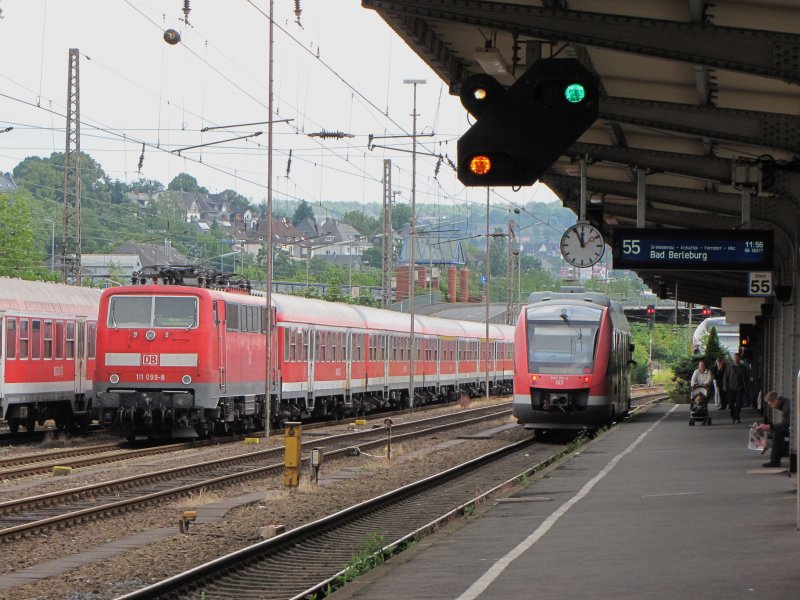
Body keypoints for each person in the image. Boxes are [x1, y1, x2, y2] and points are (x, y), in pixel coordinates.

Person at [756, 391, 791, 468]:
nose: (771, 406)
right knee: (777, 430)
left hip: (794, 428)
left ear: (775, 400)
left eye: (770, 404)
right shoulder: (786, 404)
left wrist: (768, 427)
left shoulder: (787, 407)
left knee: (778, 431)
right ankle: (777, 457)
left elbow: (787, 425)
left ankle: (775, 461)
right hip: (793, 428)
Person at [723, 352, 748, 424]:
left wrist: (746, 388)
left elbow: (746, 378)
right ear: (733, 359)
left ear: (739, 359)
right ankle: (732, 416)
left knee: (739, 403)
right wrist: (725, 387)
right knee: (731, 403)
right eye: (734, 358)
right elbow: (725, 378)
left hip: (739, 388)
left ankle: (737, 417)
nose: (736, 359)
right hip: (731, 389)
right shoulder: (730, 367)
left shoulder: (743, 368)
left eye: (737, 358)